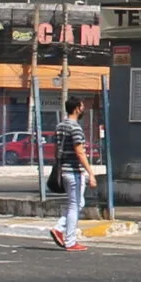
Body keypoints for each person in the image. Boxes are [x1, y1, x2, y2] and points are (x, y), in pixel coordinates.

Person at [49, 98, 93, 251]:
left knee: (78, 203)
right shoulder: (75, 128)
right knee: (75, 205)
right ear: (76, 109)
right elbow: (80, 152)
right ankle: (70, 240)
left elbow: (56, 149)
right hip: (73, 171)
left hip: (63, 170)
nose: (83, 109)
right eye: (82, 106)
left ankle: (59, 228)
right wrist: (91, 173)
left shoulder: (60, 126)